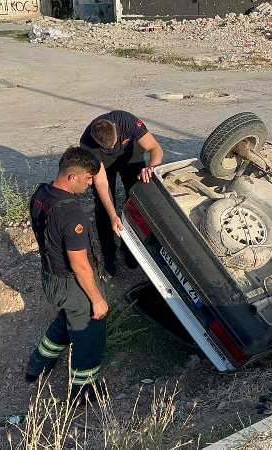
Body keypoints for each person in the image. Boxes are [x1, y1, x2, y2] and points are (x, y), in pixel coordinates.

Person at [25, 146, 108, 403]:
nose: (91, 183)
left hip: (50, 278)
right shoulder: (72, 214)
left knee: (67, 319)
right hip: (72, 284)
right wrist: (96, 299)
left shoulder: (41, 193)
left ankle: (37, 366)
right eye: (88, 178)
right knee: (88, 333)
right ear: (73, 177)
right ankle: (83, 392)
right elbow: (81, 265)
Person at [80, 110, 164, 275]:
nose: (112, 148)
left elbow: (156, 149)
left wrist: (151, 168)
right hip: (104, 164)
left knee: (136, 203)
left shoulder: (126, 120)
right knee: (103, 209)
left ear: (116, 128)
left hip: (131, 156)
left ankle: (130, 249)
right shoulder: (87, 142)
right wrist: (113, 215)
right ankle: (108, 253)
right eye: (108, 147)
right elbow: (101, 182)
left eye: (114, 143)